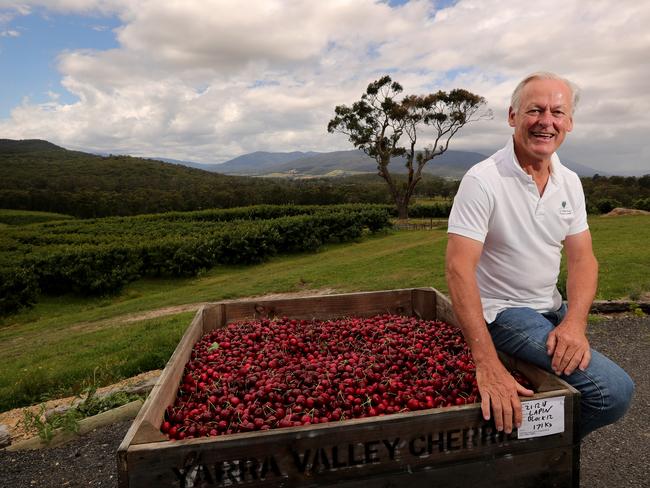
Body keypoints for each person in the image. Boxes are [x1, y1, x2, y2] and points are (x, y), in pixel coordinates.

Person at [445, 71, 634, 439]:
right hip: (504, 312)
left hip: (552, 308)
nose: (546, 121)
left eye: (557, 112)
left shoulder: (570, 182)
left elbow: (583, 259)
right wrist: (485, 362)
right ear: (513, 116)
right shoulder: (482, 180)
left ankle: (540, 452)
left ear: (569, 123)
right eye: (535, 110)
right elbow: (458, 269)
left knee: (578, 387)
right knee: (613, 391)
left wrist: (575, 321)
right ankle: (523, 453)